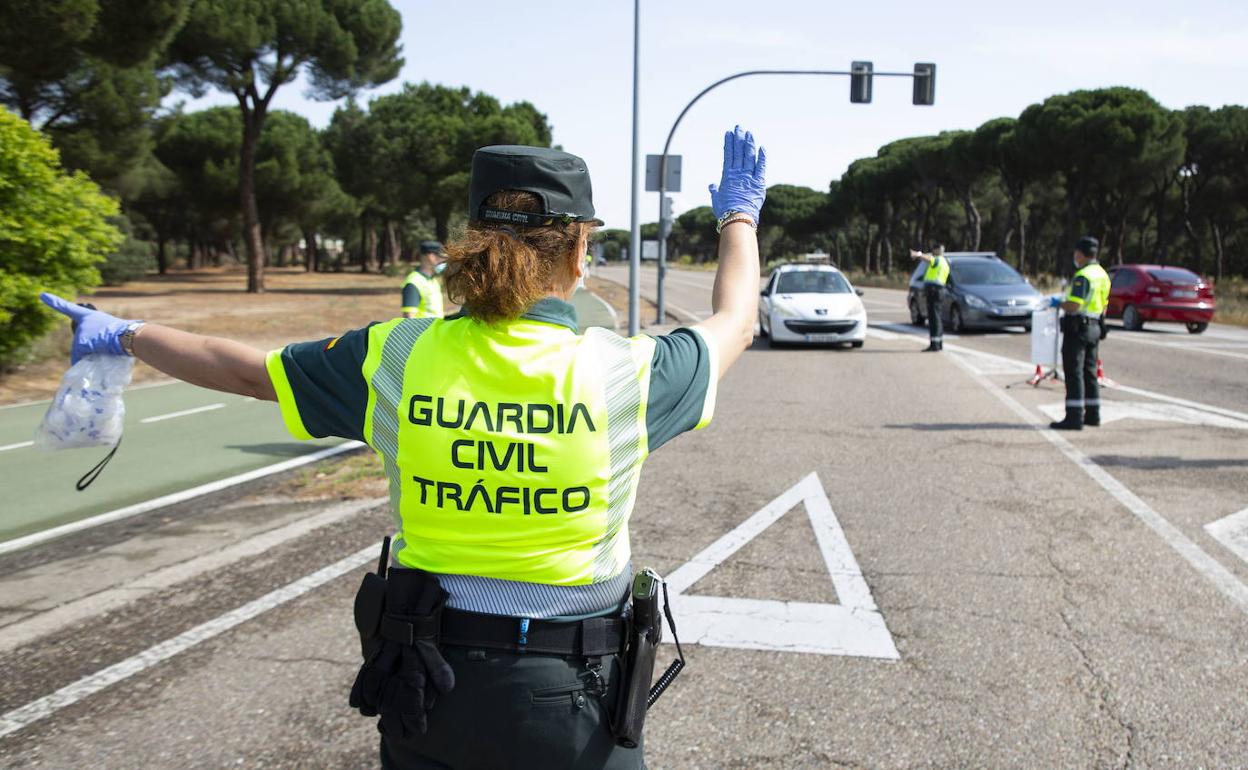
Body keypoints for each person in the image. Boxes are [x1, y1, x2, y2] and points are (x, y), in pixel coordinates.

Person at [40, 125, 768, 769]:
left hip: (425, 686)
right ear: (580, 250)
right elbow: (735, 319)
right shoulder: (627, 373)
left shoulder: (397, 356)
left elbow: (244, 370)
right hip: (571, 700)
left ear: (473, 246)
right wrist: (738, 215)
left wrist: (125, 333)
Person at [1048, 236, 1110, 430]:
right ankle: (1093, 415)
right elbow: (1104, 304)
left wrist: (1058, 303)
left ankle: (1074, 417)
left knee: (1074, 373)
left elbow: (1074, 305)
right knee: (1090, 372)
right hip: (1095, 326)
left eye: (1076, 253)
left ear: (1081, 254)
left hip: (1079, 328)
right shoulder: (1102, 274)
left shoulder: (1083, 276)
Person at [909, 244, 949, 351]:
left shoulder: (937, 260)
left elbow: (930, 259)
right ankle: (938, 343)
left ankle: (934, 344)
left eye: (933, 250)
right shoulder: (945, 262)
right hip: (938, 291)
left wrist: (918, 254)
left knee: (933, 318)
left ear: (936, 250)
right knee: (937, 317)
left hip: (934, 291)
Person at [401, 241, 446, 319]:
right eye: (441, 257)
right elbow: (409, 318)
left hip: (435, 330)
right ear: (431, 256)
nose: (443, 261)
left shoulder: (433, 280)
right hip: (425, 331)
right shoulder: (413, 282)